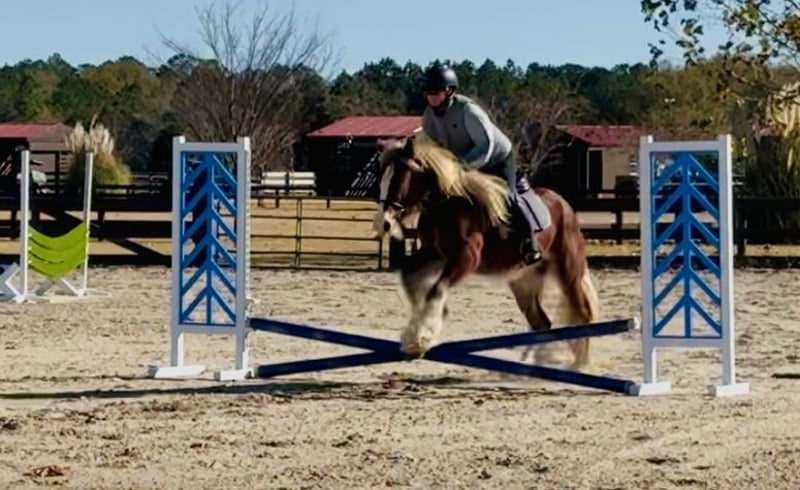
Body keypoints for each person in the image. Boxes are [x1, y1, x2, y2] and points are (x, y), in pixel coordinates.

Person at [419, 63, 542, 264]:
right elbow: (432, 146)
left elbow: (485, 146)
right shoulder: (428, 116)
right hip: (460, 164)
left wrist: (460, 167)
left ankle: (530, 243)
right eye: (428, 93)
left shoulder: (468, 110)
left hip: (497, 158)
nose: (431, 97)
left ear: (449, 90)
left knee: (506, 196)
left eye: (435, 92)